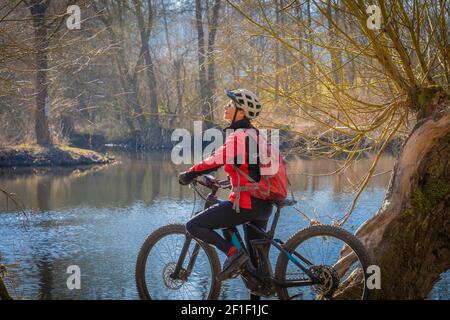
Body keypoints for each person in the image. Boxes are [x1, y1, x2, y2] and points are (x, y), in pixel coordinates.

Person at [178, 89, 273, 299]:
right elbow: (253, 172)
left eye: (230, 104)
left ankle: (233, 253)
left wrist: (189, 173)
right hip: (264, 205)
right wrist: (226, 183)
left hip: (248, 206)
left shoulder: (239, 136)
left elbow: (215, 160)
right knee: (256, 272)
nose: (225, 107)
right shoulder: (256, 134)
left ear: (240, 113)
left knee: (193, 225)